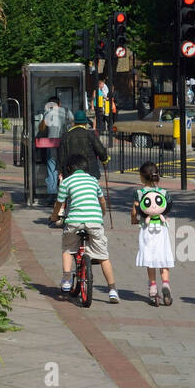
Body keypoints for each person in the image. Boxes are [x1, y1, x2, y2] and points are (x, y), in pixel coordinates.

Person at [49, 153, 119, 303]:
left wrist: (54, 216)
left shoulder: (67, 182)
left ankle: (67, 280)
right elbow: (102, 200)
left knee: (68, 249)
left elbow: (59, 203)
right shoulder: (93, 181)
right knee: (103, 256)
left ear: (69, 169)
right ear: (86, 168)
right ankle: (112, 290)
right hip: (95, 222)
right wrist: (102, 213)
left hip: (74, 222)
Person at [131, 161, 174, 305]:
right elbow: (168, 208)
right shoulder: (164, 193)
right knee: (163, 256)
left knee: (150, 258)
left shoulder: (139, 193)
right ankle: (166, 284)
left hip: (146, 229)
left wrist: (134, 220)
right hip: (161, 229)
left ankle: (153, 288)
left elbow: (135, 211)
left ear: (142, 178)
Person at [61, 108, 108, 179]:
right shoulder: (90, 134)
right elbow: (101, 151)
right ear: (85, 123)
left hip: (71, 172)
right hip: (90, 172)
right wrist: (104, 159)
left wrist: (61, 170)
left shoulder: (65, 136)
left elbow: (61, 156)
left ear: (74, 122)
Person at [38, 96, 68, 201]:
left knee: (52, 170)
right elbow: (73, 123)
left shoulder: (48, 113)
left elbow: (41, 128)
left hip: (51, 144)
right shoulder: (66, 111)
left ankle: (52, 195)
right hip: (65, 144)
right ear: (59, 104)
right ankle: (66, 196)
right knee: (66, 168)